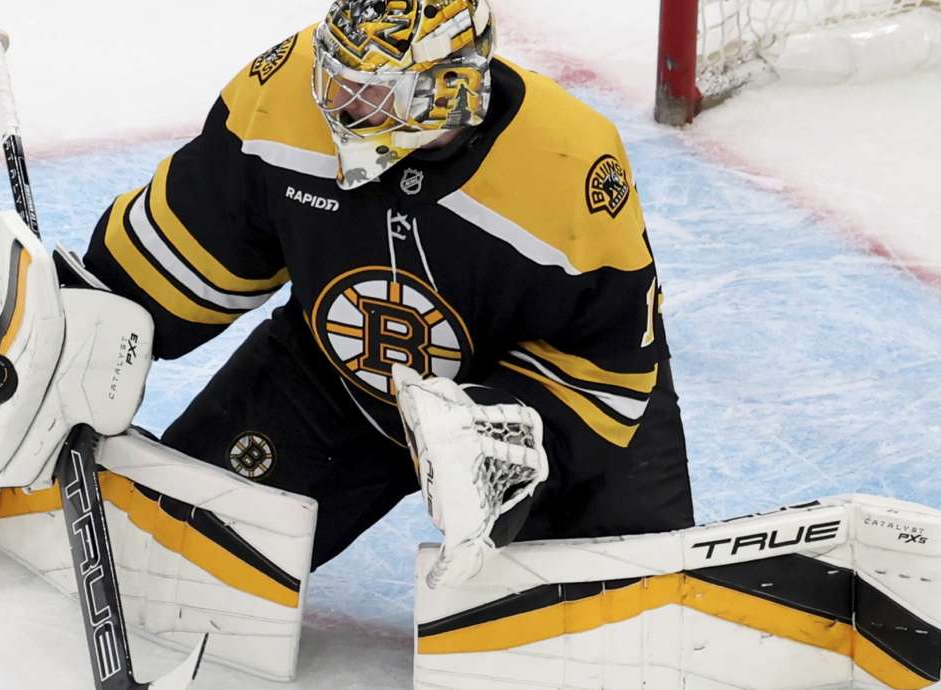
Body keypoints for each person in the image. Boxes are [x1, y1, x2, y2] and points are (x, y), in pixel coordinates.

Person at [79, 0, 694, 580]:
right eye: (335, 75)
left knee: (609, 612)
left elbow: (604, 357)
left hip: (535, 410)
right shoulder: (283, 89)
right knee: (167, 553)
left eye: (370, 91)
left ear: (448, 88)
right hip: (339, 376)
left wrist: (503, 437)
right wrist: (79, 327)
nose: (338, 103)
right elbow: (185, 248)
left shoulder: (570, 163)